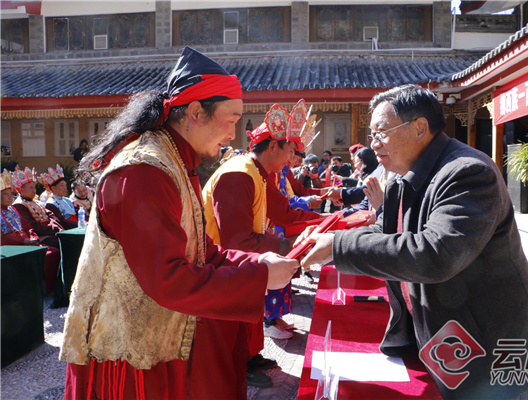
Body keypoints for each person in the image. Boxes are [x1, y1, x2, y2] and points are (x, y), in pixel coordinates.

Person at [59, 46, 299, 400]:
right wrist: (260, 277)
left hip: (159, 335)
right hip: (126, 351)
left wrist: (257, 261)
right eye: (231, 120)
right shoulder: (144, 170)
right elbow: (168, 279)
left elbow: (200, 248)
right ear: (196, 112)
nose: (234, 134)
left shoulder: (174, 159)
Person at [299, 85, 528, 400]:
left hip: (487, 352)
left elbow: (435, 254)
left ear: (420, 128)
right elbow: (387, 234)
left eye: (381, 133)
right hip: (446, 342)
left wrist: (339, 247)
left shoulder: (467, 173)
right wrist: (333, 240)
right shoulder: (405, 174)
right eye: (371, 135)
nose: (373, 144)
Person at [202, 106, 322, 387]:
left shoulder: (259, 172)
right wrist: (285, 245)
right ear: (272, 147)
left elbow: (285, 213)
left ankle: (249, 356)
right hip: (221, 263)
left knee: (251, 312)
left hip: (245, 259)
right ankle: (237, 366)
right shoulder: (239, 174)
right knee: (231, 319)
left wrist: (327, 222)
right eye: (289, 150)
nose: (292, 158)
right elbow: (236, 241)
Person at [1, 169, 61, 293]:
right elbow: (2, 239)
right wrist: (25, 241)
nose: (10, 197)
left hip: (26, 242)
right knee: (50, 253)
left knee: (54, 251)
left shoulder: (12, 210)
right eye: (6, 195)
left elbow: (28, 227)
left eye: (11, 194)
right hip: (11, 246)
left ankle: (51, 289)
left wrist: (34, 238)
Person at [11, 166, 68, 248]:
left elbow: (50, 215)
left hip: (50, 230)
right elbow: (33, 225)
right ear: (21, 190)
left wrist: (55, 225)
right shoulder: (19, 205)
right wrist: (54, 229)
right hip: (40, 236)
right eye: (31, 188)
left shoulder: (37, 201)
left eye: (34, 187)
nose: (34, 190)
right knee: (62, 243)